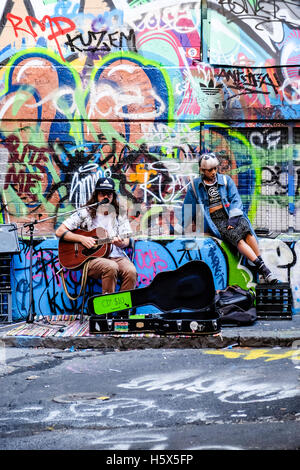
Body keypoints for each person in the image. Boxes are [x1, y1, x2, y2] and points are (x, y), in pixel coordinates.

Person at [182, 152, 277, 284]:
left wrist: (233, 219)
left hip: (232, 215)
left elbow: (236, 200)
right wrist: (186, 230)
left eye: (215, 168)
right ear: (202, 170)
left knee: (247, 231)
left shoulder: (226, 181)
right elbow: (188, 208)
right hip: (215, 220)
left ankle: (261, 267)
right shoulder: (195, 186)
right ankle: (265, 270)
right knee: (236, 237)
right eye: (210, 170)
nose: (214, 172)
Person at [55, 177, 137, 295]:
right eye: (102, 194)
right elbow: (59, 231)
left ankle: (122, 310)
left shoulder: (120, 214)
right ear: (96, 195)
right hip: (92, 259)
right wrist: (82, 239)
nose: (106, 197)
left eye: (109, 194)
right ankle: (106, 311)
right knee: (111, 267)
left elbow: (127, 240)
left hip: (116, 256)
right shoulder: (86, 212)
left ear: (113, 196)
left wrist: (121, 243)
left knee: (131, 271)